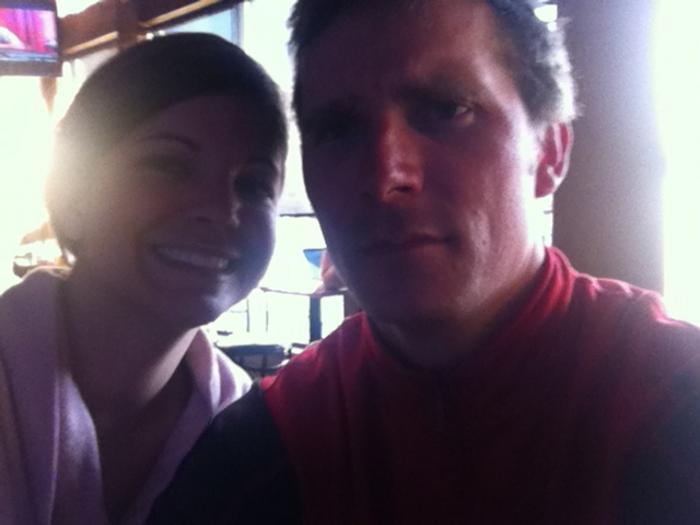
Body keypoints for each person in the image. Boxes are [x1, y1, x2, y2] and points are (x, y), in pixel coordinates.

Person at [148, 2, 700, 524]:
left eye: (446, 110)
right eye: (337, 129)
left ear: (550, 153)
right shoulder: (272, 436)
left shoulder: (670, 395)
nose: (384, 176)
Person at [0, 33, 287, 524]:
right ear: (73, 193)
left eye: (253, 183)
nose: (221, 210)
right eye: (171, 165)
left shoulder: (247, 428)